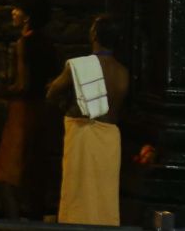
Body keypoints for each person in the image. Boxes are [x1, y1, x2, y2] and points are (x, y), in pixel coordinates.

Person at [47, 15, 129, 225]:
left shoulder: (79, 67)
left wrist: (65, 105)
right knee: (104, 192)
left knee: (78, 190)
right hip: (110, 137)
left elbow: (52, 92)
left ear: (93, 35)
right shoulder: (123, 72)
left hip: (83, 133)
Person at [0, 0, 59, 219]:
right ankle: (35, 221)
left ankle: (13, 224)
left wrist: (1, 90)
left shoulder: (23, 43)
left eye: (17, 9)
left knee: (6, 173)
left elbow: (22, 84)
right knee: (34, 171)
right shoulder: (48, 44)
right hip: (41, 109)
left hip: (21, 111)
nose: (13, 12)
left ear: (27, 17)